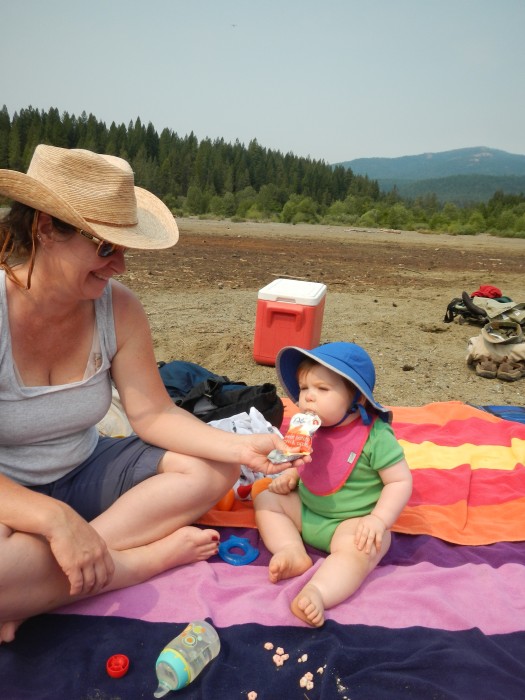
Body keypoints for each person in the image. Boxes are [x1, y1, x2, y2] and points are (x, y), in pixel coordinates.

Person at [0, 144, 304, 644]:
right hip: (10, 492)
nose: (119, 265)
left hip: (84, 468)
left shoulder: (117, 309)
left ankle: (38, 586)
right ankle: (135, 563)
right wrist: (52, 518)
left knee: (215, 468)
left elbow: (153, 413)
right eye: (104, 247)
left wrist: (240, 447)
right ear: (45, 229)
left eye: (124, 248)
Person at [254, 342, 413, 627]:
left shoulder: (375, 435)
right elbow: (304, 465)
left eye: (322, 389)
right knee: (266, 499)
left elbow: (400, 481)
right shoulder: (305, 427)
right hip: (308, 512)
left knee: (366, 547)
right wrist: (291, 476)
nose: (308, 398)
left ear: (357, 399)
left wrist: (378, 520)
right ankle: (291, 550)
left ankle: (318, 591)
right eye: (304, 388)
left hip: (350, 524)